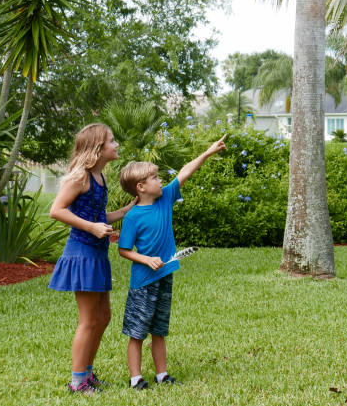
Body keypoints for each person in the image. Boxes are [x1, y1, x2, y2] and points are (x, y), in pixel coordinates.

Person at [118, 134, 226, 390]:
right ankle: (136, 379)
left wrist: (208, 152)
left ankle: (162, 374)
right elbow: (123, 250)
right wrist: (146, 259)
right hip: (143, 281)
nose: (160, 180)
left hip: (165, 276)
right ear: (140, 187)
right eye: (154, 178)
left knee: (159, 329)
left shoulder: (165, 198)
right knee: (137, 331)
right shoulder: (133, 216)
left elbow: (185, 171)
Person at [48, 123, 136, 394]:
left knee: (104, 316)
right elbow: (56, 210)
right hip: (82, 253)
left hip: (97, 254)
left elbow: (98, 216)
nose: (116, 145)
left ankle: (86, 373)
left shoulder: (100, 177)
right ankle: (77, 382)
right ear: (97, 148)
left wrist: (125, 211)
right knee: (88, 320)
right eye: (111, 141)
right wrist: (92, 227)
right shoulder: (80, 177)